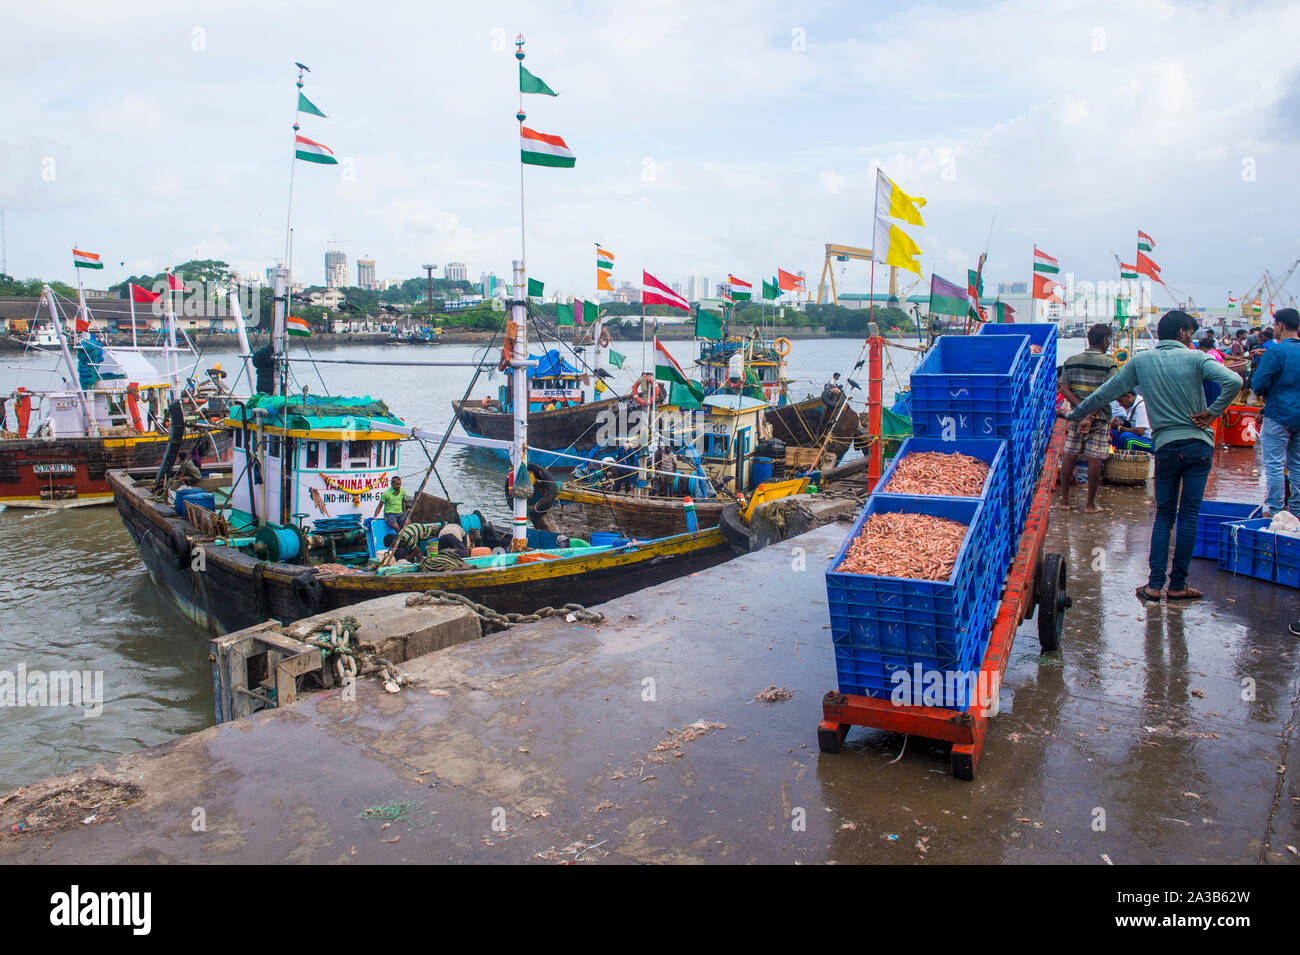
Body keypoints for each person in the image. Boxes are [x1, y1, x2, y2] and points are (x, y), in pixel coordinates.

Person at [1066, 310, 1242, 602]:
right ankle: (1178, 585)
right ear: (1183, 333)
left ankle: (1154, 585)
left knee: (1164, 515)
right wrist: (1213, 412)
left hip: (1166, 447)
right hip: (1198, 445)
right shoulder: (1197, 358)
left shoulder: (1142, 361)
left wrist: (1074, 414)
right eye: (1191, 333)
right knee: (1189, 515)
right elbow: (1233, 382)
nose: (1192, 338)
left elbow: (1104, 394)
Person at [1057, 323, 1118, 512]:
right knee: (1094, 459)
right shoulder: (1109, 363)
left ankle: (1065, 502)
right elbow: (1107, 393)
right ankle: (1090, 504)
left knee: (1069, 456)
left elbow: (1064, 388)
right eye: (1109, 340)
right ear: (1105, 340)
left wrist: (1081, 410)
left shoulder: (1071, 360)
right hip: (1099, 417)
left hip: (1076, 415)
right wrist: (1090, 414)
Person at [1249, 307, 1300, 518]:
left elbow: (1258, 384)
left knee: (1274, 463)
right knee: (1297, 465)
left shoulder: (1277, 351)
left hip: (1278, 414)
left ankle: (1276, 511)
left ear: (1279, 325)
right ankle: (1296, 512)